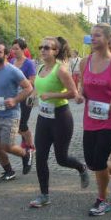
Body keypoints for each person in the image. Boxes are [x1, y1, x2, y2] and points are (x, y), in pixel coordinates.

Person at [75, 23, 111, 216]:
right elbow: (83, 84)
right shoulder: (85, 62)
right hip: (91, 117)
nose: (93, 38)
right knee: (91, 162)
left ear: (108, 40)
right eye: (92, 35)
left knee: (99, 160)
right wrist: (80, 94)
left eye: (98, 35)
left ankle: (102, 200)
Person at [29, 36, 89, 207]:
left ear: (55, 51)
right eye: (41, 47)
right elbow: (37, 88)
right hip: (43, 118)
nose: (42, 50)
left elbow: (73, 93)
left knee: (61, 158)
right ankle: (44, 195)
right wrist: (32, 96)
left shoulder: (61, 70)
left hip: (61, 117)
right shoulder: (40, 68)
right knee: (40, 157)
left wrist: (52, 95)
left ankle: (81, 168)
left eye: (47, 47)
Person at [0, 42, 34, 182]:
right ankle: (9, 171)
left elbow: (28, 88)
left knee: (7, 146)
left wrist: (15, 100)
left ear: (6, 55)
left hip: (10, 115)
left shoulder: (13, 71)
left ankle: (26, 154)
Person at [9, 38, 37, 151]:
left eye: (17, 49)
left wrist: (21, 82)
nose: (14, 51)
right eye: (13, 48)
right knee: (15, 122)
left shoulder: (29, 63)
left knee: (22, 123)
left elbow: (33, 81)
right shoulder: (11, 62)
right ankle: (25, 141)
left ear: (23, 49)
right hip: (15, 96)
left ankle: (30, 146)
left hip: (28, 97)